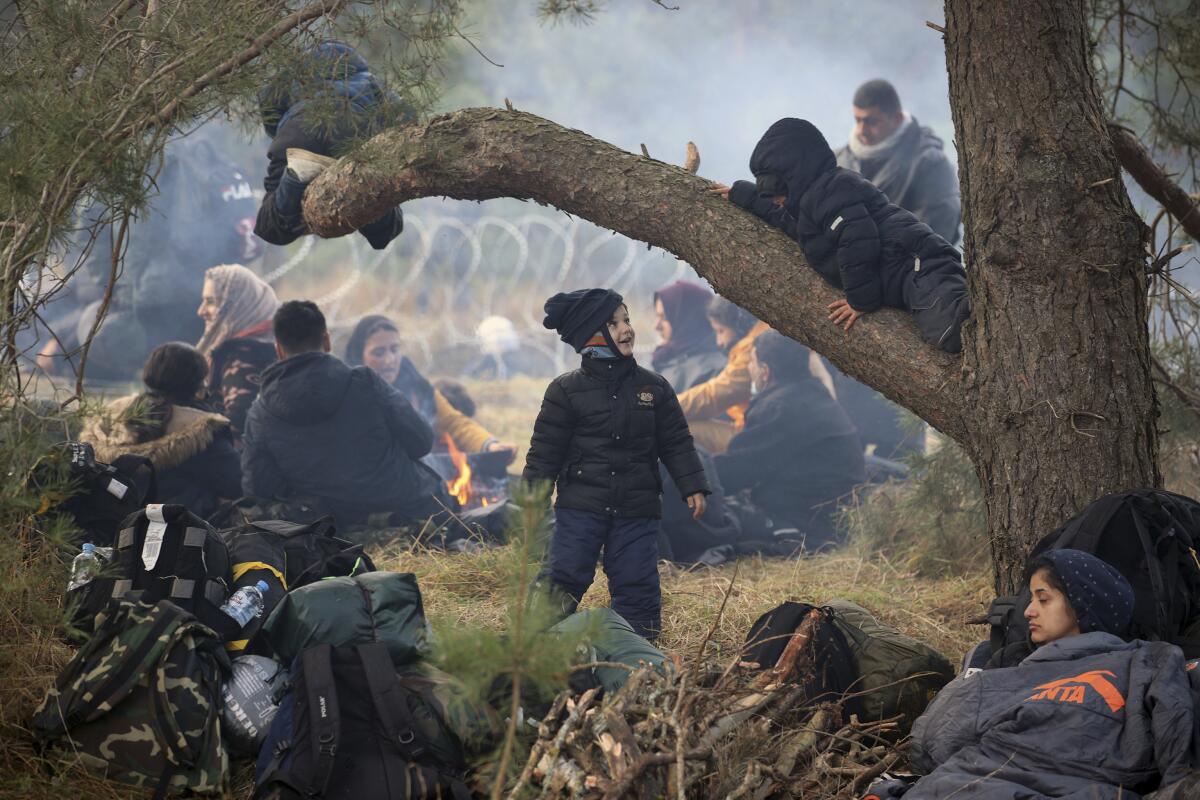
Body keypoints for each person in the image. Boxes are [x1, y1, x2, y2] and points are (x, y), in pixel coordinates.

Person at [902, 549, 1197, 799]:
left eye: (1043, 599)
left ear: (1084, 604)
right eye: (1031, 599)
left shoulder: (1144, 660)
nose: (1029, 611)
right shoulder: (1013, 670)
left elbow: (931, 743)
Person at [523, 289, 710, 641]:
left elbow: (676, 441)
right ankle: (536, 642)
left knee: (636, 578)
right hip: (581, 505)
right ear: (591, 335)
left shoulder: (653, 388)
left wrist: (693, 484)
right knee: (565, 572)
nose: (626, 329)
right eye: (614, 322)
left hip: (636, 507)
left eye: (627, 320)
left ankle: (637, 650)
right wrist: (532, 496)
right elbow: (545, 450)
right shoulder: (565, 391)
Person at [712, 118, 970, 353]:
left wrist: (860, 301)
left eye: (775, 190)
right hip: (901, 274)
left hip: (918, 265)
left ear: (793, 178)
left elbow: (857, 240)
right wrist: (740, 194)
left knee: (956, 330)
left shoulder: (832, 190)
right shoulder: (806, 207)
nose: (776, 200)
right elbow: (782, 219)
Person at [241, 301, 452, 529]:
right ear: (327, 341)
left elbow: (258, 488)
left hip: (327, 524)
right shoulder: (365, 382)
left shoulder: (260, 412)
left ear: (279, 350)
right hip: (404, 506)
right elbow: (421, 442)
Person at [714, 332, 865, 551]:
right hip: (831, 516)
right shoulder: (811, 394)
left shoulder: (781, 408)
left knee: (709, 523)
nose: (749, 369)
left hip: (808, 523)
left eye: (752, 363)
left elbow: (738, 471)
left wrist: (689, 478)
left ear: (765, 372)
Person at [254, 42, 405, 250]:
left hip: (299, 130)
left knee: (269, 227)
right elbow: (401, 113)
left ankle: (296, 175)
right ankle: (369, 183)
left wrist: (282, 138)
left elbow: (268, 105)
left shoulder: (291, 76)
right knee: (385, 232)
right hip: (356, 132)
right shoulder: (369, 79)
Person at [81, 342, 242, 519]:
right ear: (195, 384)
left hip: (110, 524)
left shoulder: (112, 415)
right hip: (178, 530)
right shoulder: (202, 428)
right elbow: (236, 483)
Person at [343, 315, 516, 460]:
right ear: (360, 356)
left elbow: (454, 423)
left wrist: (491, 445)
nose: (389, 360)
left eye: (394, 349)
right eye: (378, 353)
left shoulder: (416, 387)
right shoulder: (348, 396)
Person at [835, 79, 961, 244]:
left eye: (871, 121)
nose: (861, 130)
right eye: (857, 120)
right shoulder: (838, 159)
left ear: (897, 118)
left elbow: (934, 235)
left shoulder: (930, 165)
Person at [675, 297, 770, 455]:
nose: (719, 342)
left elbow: (715, 395)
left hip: (756, 436)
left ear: (738, 325)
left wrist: (663, 406)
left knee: (679, 430)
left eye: (721, 331)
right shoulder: (757, 338)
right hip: (753, 427)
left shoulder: (753, 348)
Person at [196, 264, 279, 442]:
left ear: (234, 304)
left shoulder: (242, 355)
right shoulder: (271, 344)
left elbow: (238, 424)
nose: (201, 311)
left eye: (211, 302)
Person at [651, 280, 727, 394]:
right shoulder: (668, 358)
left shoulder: (712, 371)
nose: (656, 326)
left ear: (687, 320)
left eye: (665, 317)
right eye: (657, 316)